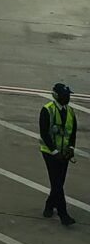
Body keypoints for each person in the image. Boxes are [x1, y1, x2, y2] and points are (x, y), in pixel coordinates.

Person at [40, 82, 77, 226]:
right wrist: (55, 152)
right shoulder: (47, 110)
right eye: (64, 95)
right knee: (56, 182)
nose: (67, 98)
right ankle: (63, 214)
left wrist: (71, 148)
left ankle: (49, 204)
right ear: (56, 96)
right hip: (50, 152)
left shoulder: (70, 112)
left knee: (59, 182)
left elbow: (73, 132)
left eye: (68, 95)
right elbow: (44, 134)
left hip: (64, 153)